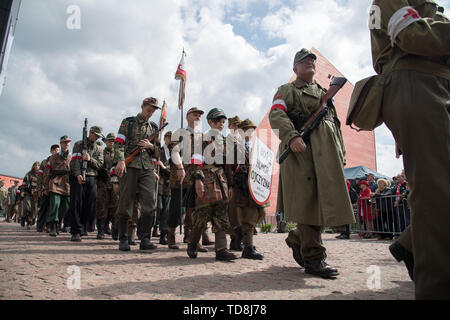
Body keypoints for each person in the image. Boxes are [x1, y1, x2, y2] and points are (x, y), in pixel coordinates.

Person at [370, 0, 449, 299]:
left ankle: (411, 243)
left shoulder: (431, 6)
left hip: (437, 87)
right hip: (418, 85)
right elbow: (414, 35)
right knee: (436, 193)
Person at [269, 48, 355, 278]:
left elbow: (334, 125)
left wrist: (340, 153)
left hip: (326, 155)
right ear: (294, 68)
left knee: (323, 204)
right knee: (308, 203)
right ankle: (315, 258)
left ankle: (298, 238)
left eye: (312, 61)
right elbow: (276, 115)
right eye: (303, 61)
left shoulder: (325, 93)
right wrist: (292, 136)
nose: (309, 62)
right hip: (301, 153)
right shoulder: (287, 90)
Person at [184, 108, 238, 261]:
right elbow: (195, 160)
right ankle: (193, 243)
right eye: (218, 121)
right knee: (202, 215)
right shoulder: (201, 138)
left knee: (221, 215)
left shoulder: (225, 141)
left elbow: (228, 166)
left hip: (221, 180)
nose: (221, 124)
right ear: (210, 122)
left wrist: (231, 184)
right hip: (205, 179)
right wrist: (197, 180)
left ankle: (221, 250)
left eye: (223, 122)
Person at [113, 97, 161, 251]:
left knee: (149, 202)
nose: (151, 110)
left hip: (147, 168)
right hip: (130, 165)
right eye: (149, 107)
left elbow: (159, 152)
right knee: (126, 201)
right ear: (142, 106)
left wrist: (150, 146)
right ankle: (123, 238)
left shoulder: (154, 127)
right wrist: (120, 160)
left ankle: (145, 239)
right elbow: (118, 143)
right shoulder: (129, 122)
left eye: (154, 108)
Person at [167, 107, 209, 252]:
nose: (198, 117)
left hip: (195, 177)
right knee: (176, 208)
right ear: (187, 117)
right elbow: (174, 151)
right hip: (180, 176)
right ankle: (171, 235)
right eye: (195, 115)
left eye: (199, 115)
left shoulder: (201, 137)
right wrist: (180, 167)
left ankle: (192, 238)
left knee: (195, 209)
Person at [233, 119, 267, 260]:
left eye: (252, 129)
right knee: (248, 217)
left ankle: (240, 238)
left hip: (255, 186)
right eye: (247, 129)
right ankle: (248, 247)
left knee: (260, 213)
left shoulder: (255, 147)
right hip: (241, 186)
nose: (251, 132)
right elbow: (233, 167)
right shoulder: (235, 147)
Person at [69, 126, 105, 242]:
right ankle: (75, 231)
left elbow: (100, 165)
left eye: (99, 136)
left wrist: (90, 159)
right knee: (76, 203)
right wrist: (78, 174)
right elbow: (74, 161)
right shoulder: (78, 144)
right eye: (96, 135)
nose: (97, 138)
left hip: (92, 177)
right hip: (79, 176)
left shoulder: (99, 148)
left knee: (90, 204)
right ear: (90, 133)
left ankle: (84, 226)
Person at [43, 136, 72, 237]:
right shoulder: (53, 157)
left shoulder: (71, 157)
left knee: (65, 207)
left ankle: (59, 222)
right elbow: (47, 172)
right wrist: (45, 187)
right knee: (55, 205)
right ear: (61, 143)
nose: (67, 144)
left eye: (68, 142)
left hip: (67, 185)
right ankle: (53, 225)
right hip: (55, 183)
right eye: (64, 142)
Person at [95, 133, 119, 240]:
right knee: (102, 207)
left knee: (114, 208)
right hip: (103, 184)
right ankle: (100, 230)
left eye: (113, 141)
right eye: (109, 141)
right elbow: (97, 165)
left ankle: (114, 230)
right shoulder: (101, 153)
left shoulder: (118, 154)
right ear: (106, 142)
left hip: (114, 184)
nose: (111, 143)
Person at [226, 115, 244, 251]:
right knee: (233, 211)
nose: (236, 127)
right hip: (231, 179)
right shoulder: (227, 141)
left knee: (241, 211)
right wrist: (230, 183)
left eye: (238, 125)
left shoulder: (243, 141)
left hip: (242, 181)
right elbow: (227, 165)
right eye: (234, 125)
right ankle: (234, 239)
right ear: (229, 126)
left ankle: (240, 238)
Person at [36, 144, 60, 232]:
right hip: (46, 188)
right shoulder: (44, 162)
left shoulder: (60, 161)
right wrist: (39, 189)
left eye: (57, 150)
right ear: (51, 151)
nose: (56, 151)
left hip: (56, 187)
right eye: (54, 150)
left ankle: (49, 225)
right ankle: (40, 225)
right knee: (44, 207)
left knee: (53, 207)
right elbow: (39, 176)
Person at [156, 131, 172, 245]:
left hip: (169, 185)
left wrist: (164, 167)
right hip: (158, 183)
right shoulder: (159, 151)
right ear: (165, 138)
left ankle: (164, 234)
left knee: (166, 211)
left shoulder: (175, 153)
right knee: (157, 207)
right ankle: (152, 227)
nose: (170, 140)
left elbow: (175, 169)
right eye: (169, 138)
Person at [21, 162, 41, 229]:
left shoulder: (40, 175)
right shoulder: (29, 174)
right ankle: (23, 218)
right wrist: (22, 191)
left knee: (33, 210)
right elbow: (24, 183)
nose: (37, 167)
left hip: (35, 194)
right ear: (33, 166)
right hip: (28, 193)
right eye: (36, 165)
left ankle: (29, 223)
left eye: (38, 165)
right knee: (27, 207)